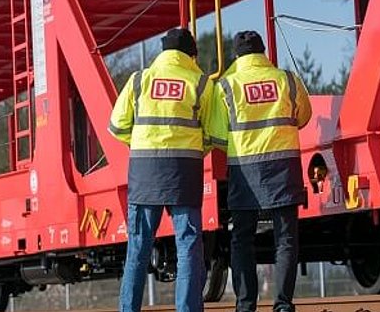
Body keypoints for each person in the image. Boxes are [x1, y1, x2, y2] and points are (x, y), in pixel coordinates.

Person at [108, 28, 213, 312]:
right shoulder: (201, 82)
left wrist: (141, 143)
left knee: (138, 249)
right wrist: (195, 149)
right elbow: (214, 133)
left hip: (144, 171)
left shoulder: (139, 80)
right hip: (184, 171)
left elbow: (116, 126)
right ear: (192, 55)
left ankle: (129, 309)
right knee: (189, 246)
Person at [207, 30, 312, 312]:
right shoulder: (287, 79)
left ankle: (245, 306)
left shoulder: (227, 86)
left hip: (244, 170)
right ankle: (283, 305)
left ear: (237, 56)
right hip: (283, 166)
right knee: (286, 237)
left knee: (242, 238)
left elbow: (218, 135)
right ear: (263, 52)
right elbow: (303, 116)